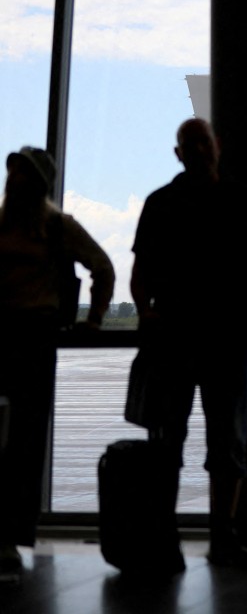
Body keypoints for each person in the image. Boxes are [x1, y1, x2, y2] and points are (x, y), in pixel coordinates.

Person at [130, 118, 247, 568]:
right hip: (226, 339)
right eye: (190, 143)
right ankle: (221, 538)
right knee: (225, 441)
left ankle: (166, 537)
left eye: (199, 141)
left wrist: (148, 311)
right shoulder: (244, 202)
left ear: (212, 147)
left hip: (178, 338)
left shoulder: (160, 204)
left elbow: (140, 276)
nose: (195, 149)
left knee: (171, 440)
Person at [0, 147, 114, 574]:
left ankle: (8, 535)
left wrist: (96, 317)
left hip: (32, 336)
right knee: (20, 440)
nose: (13, 181)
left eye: (21, 175)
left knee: (25, 442)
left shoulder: (56, 227)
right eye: (11, 173)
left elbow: (103, 266)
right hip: (19, 337)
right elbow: (102, 268)